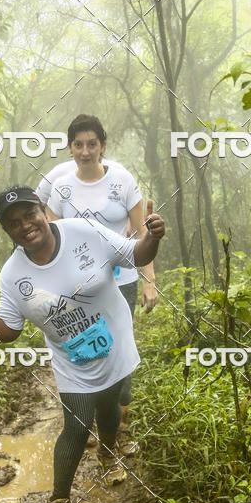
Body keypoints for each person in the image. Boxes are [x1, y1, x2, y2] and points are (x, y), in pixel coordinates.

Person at [0, 185, 165, 503]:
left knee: (110, 406)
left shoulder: (84, 231)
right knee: (77, 425)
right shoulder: (12, 274)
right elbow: (8, 330)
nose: (25, 226)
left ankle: (107, 453)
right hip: (74, 362)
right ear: (7, 231)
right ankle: (58, 501)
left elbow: (136, 254)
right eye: (13, 223)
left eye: (29, 215)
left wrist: (153, 236)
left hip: (114, 345)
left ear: (42, 210)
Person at [46, 114, 158, 455]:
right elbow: (51, 242)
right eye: (78, 144)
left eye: (92, 144)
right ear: (70, 148)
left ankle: (118, 424)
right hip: (77, 290)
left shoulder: (122, 181)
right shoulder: (61, 188)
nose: (85, 151)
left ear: (103, 146)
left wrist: (150, 280)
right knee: (88, 352)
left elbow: (143, 235)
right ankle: (94, 421)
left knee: (119, 352)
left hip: (121, 282)